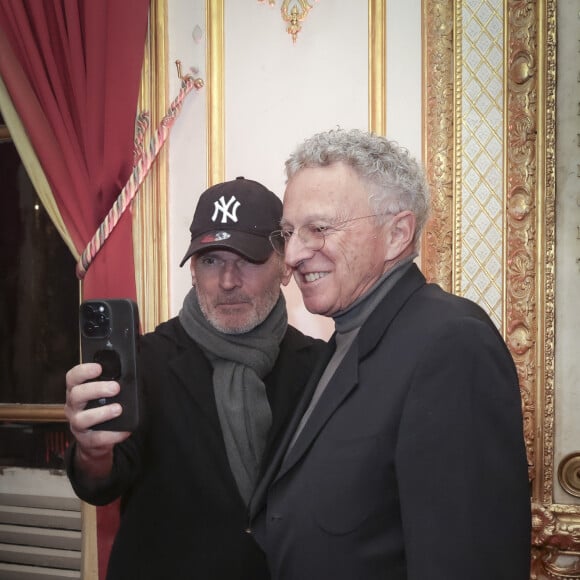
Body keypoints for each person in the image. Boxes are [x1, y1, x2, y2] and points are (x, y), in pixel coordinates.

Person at [248, 129, 532, 579]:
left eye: (319, 229)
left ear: (397, 233)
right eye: (288, 233)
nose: (295, 254)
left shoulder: (452, 345)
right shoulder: (345, 339)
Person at [64, 177, 327, 580]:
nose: (227, 281)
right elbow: (101, 485)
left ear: (284, 265)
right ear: (192, 273)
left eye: (248, 259)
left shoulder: (318, 369)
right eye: (211, 260)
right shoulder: (145, 362)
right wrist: (92, 451)